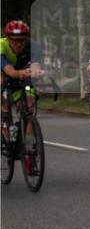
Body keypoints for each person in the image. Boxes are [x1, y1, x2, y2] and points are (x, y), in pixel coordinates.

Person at [1, 20, 44, 162]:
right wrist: (20, 73)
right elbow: (9, 71)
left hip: (24, 77)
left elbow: (36, 65)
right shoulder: (1, 46)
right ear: (7, 39)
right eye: (14, 41)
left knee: (30, 107)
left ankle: (29, 145)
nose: (18, 44)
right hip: (6, 74)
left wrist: (37, 73)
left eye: (21, 40)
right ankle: (7, 135)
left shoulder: (34, 46)